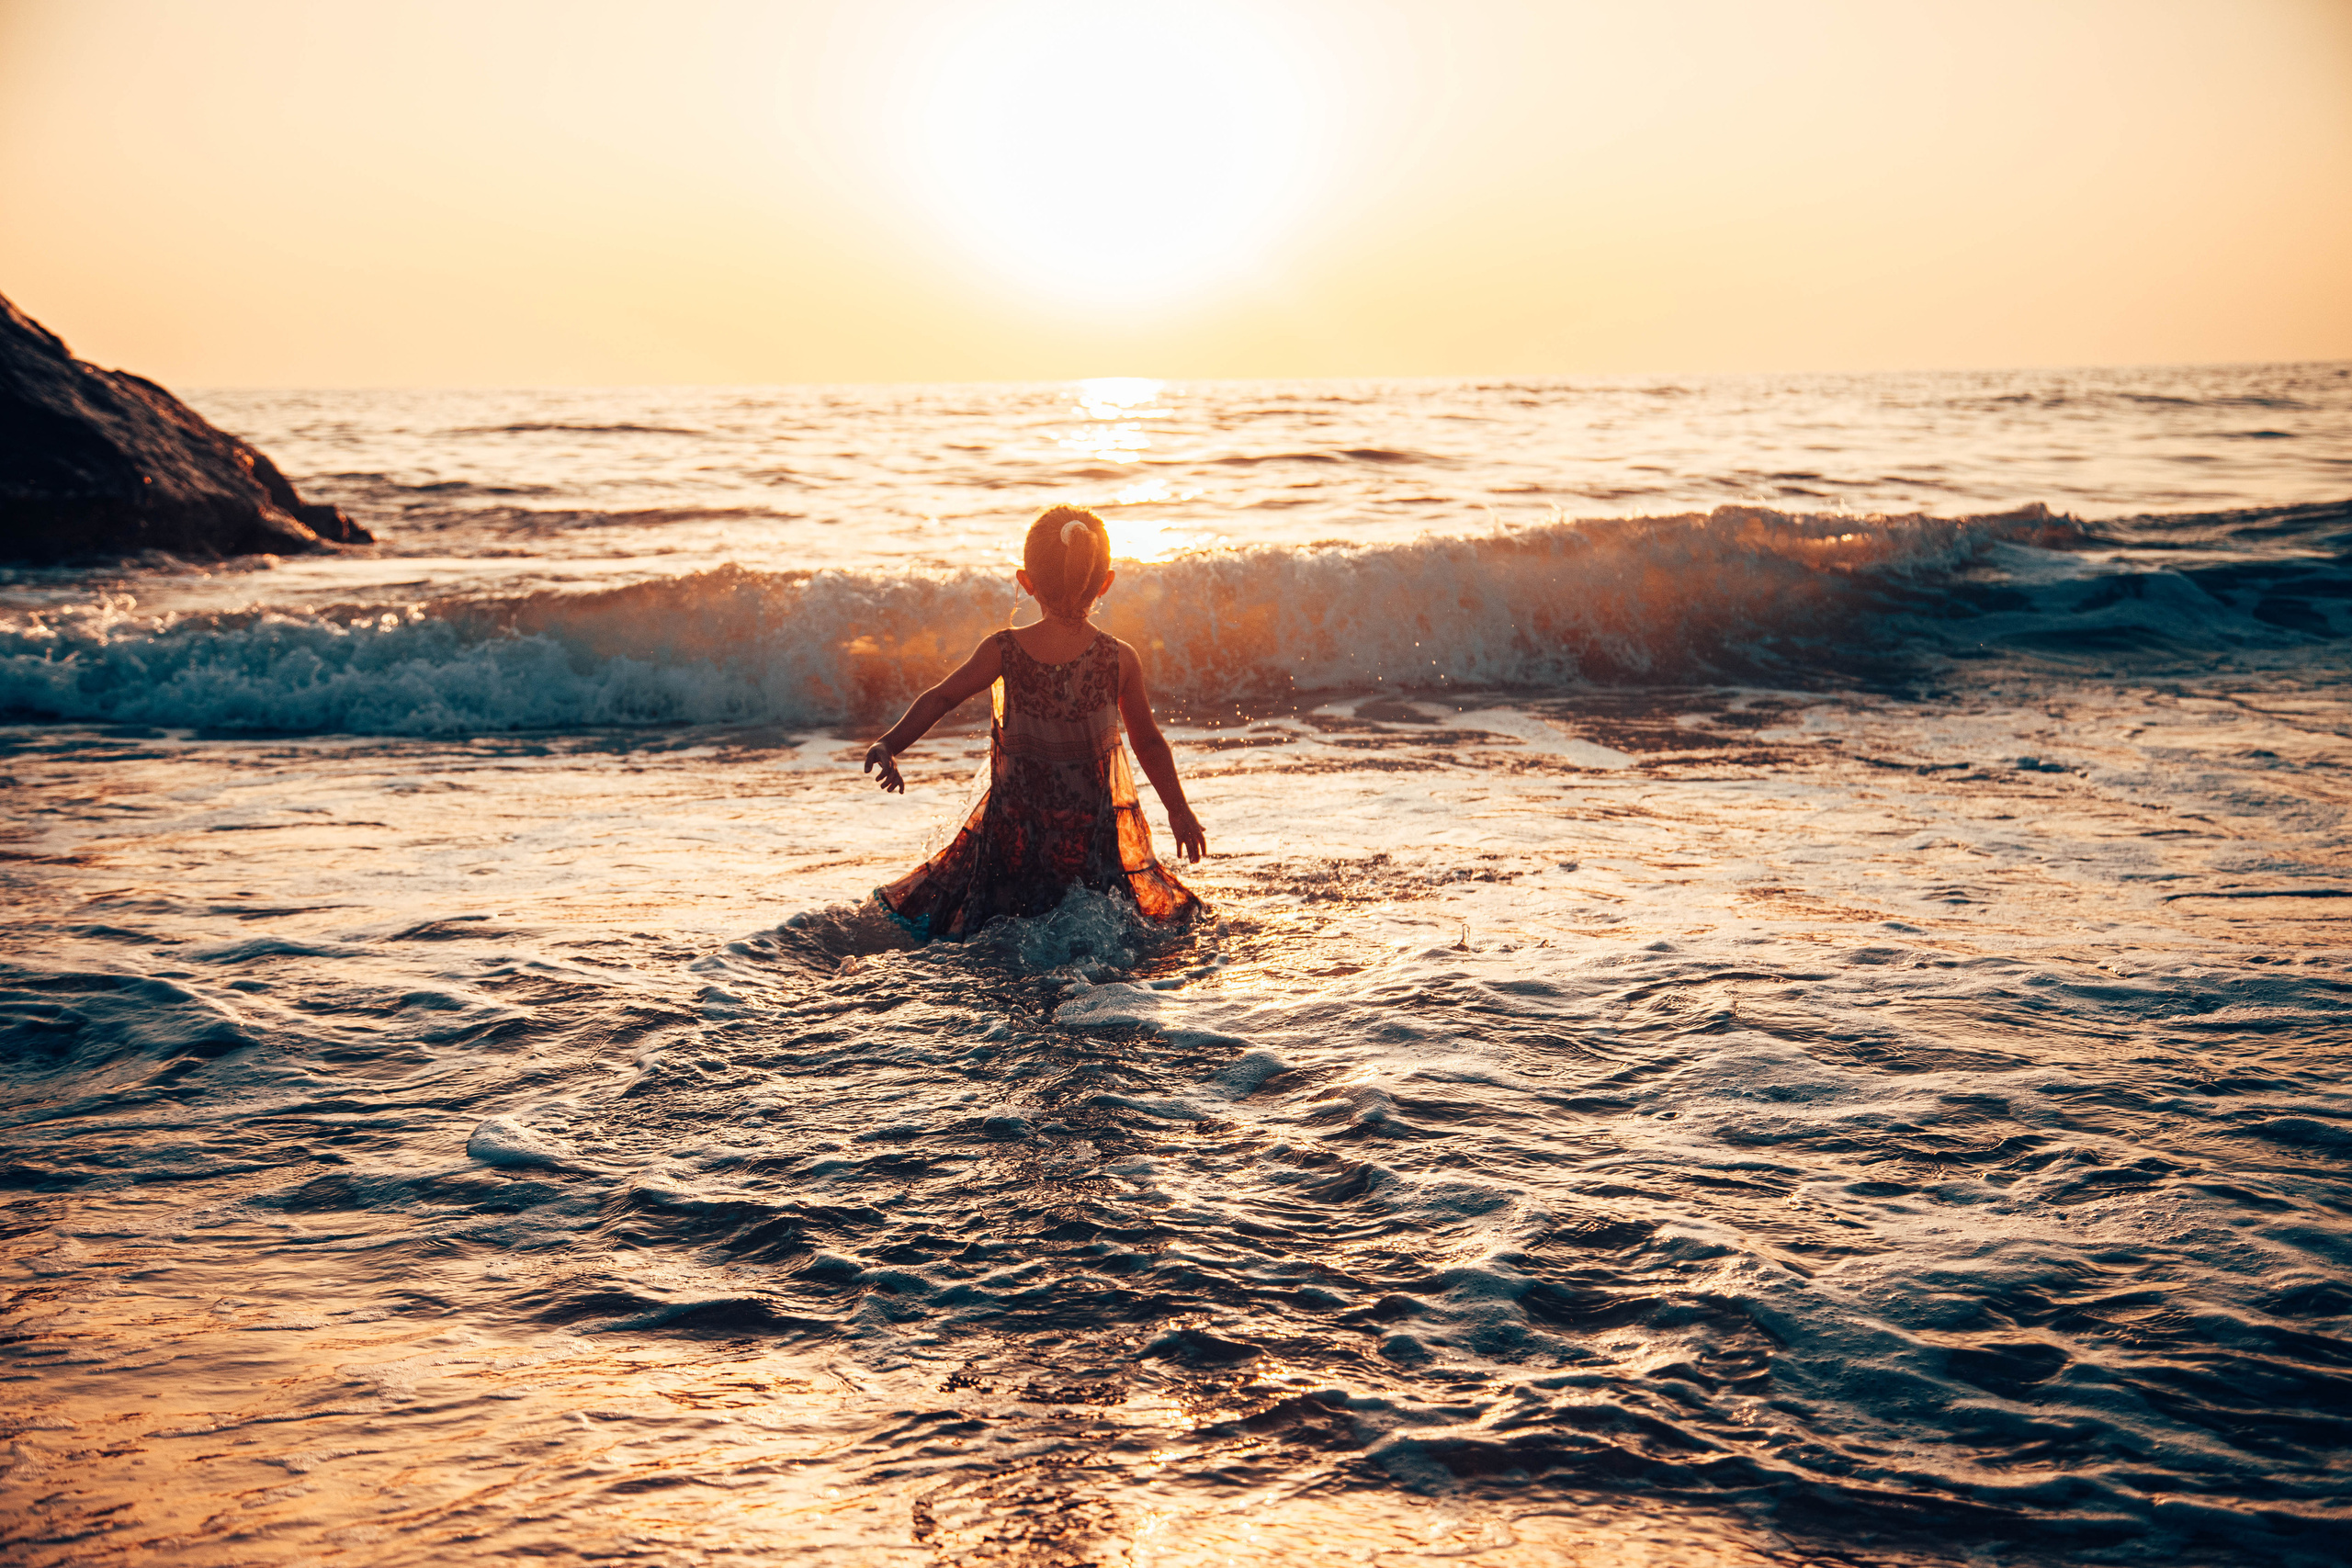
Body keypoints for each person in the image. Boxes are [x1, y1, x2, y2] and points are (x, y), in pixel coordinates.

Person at [863, 504, 1207, 940]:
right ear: (1105, 583)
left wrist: (890, 743)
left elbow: (943, 697)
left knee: (1003, 929)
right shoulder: (1119, 658)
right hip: (1088, 834)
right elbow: (1149, 744)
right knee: (1093, 930)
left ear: (1026, 582)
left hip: (1016, 835)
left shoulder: (1002, 650)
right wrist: (1179, 810)